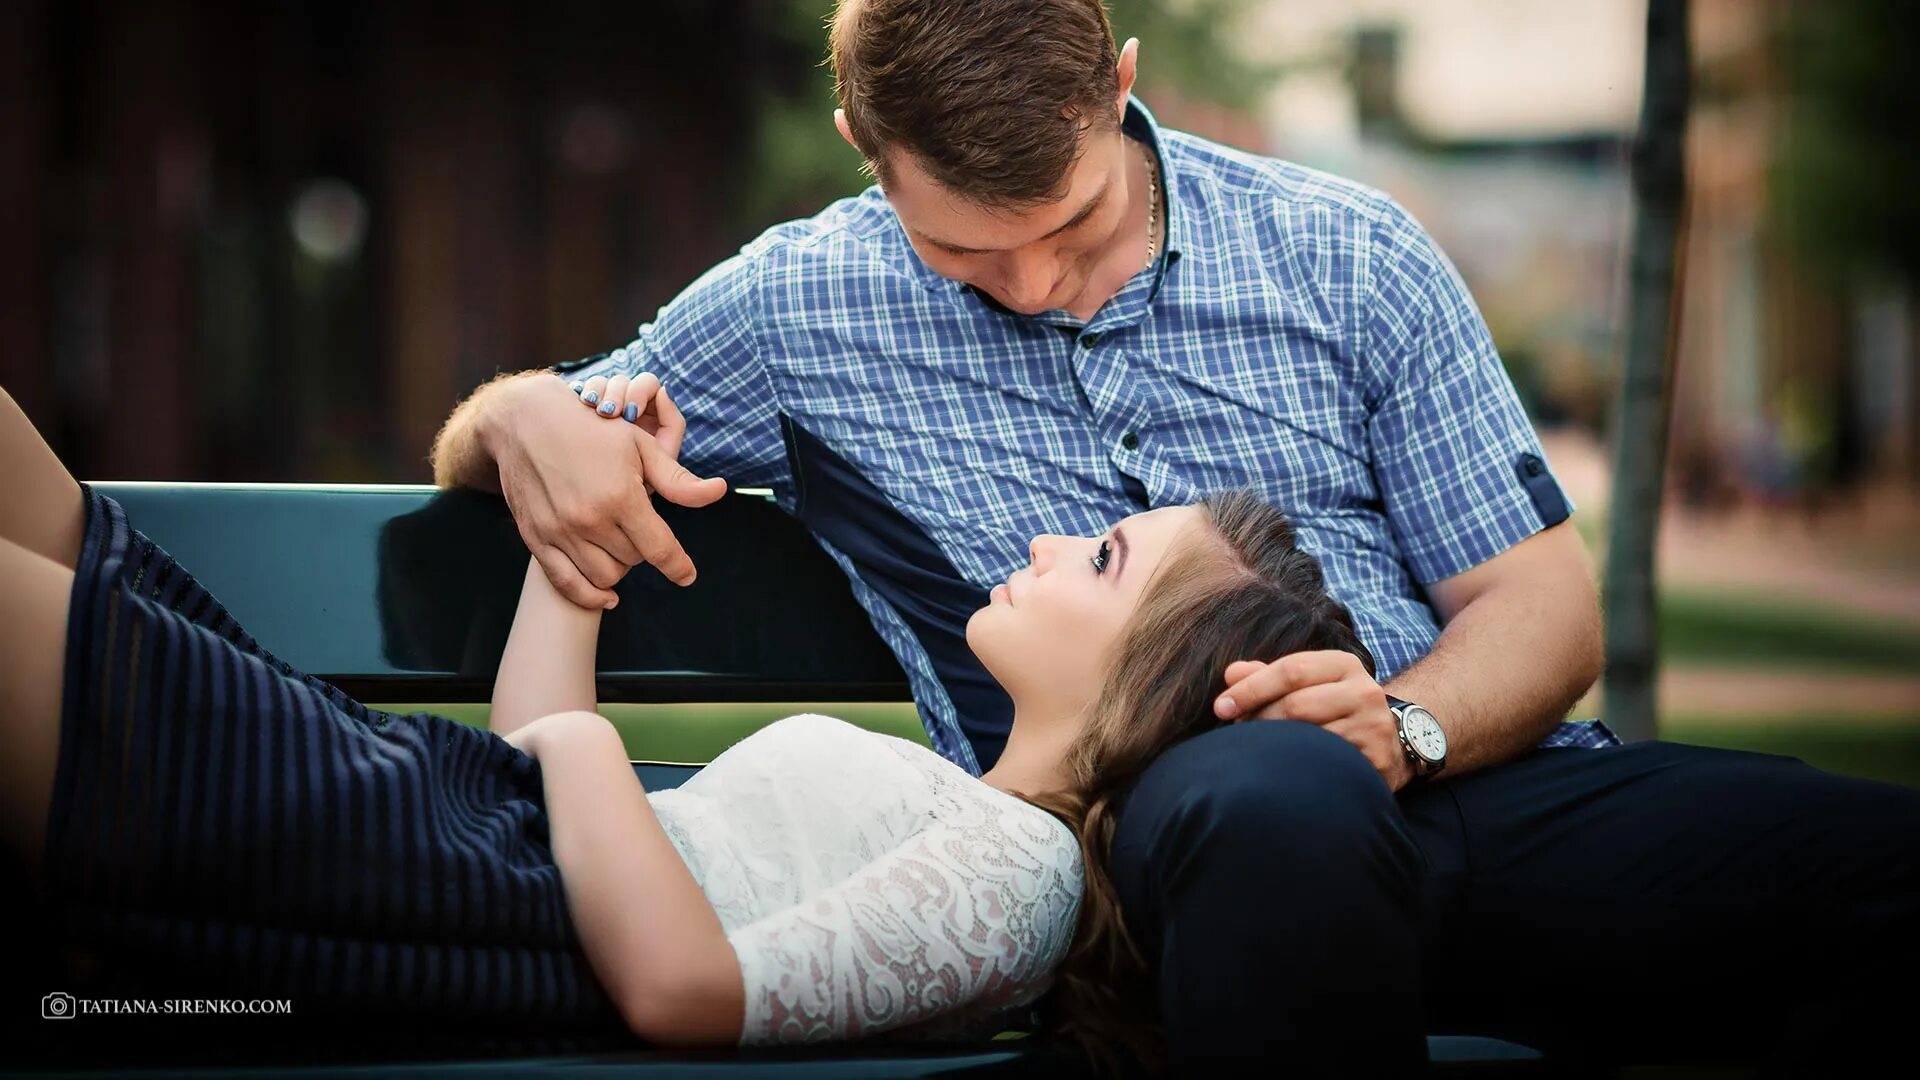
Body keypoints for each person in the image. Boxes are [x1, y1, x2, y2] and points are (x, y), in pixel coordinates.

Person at [429, 1, 1920, 1072]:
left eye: (1068, 227)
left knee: (1867, 871)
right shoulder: (797, 306)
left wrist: (1403, 725)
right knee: (1265, 804)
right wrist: (521, 417)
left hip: (1471, 786)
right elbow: (534, 429)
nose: (1029, 286)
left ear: (1120, 79)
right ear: (859, 146)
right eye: (964, 252)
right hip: (1162, 843)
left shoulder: (1348, 252)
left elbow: (1545, 609)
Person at [0, 384, 1363, 1070]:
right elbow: (545, 744)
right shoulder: (966, 815)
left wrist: (584, 757)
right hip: (441, 822)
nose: (1057, 542)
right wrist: (581, 550)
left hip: (422, 877)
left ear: (1154, 690)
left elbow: (680, 989)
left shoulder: (1023, 879)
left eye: (1110, 561)